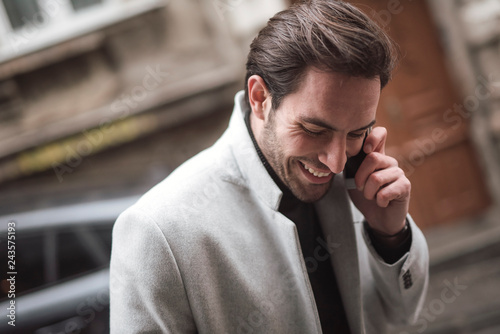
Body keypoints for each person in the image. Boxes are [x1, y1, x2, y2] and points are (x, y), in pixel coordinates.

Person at [110, 0, 429, 333]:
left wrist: (390, 237)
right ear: (260, 98)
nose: (336, 162)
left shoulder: (363, 185)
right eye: (314, 130)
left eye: (357, 133)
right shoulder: (158, 229)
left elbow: (403, 316)